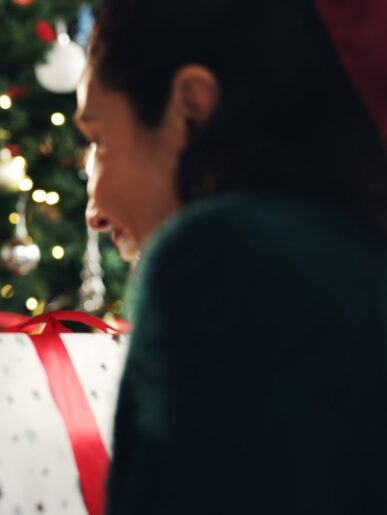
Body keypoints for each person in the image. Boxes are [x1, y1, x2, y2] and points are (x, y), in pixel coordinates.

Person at [75, 0, 387, 513]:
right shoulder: (353, 247)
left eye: (100, 141)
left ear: (189, 109)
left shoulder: (226, 261)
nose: (95, 211)